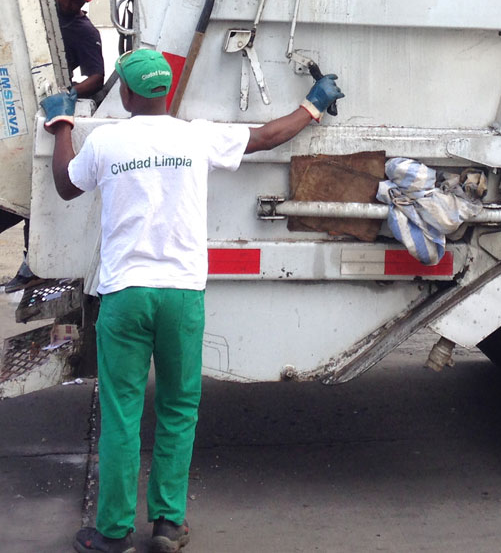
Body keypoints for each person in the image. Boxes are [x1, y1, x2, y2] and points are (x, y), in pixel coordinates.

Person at [42, 48, 343, 553]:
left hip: (126, 295)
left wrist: (62, 123)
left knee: (121, 414)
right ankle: (167, 525)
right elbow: (267, 136)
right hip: (182, 296)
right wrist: (312, 106)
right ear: (164, 91)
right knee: (179, 409)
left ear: (129, 93)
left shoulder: (108, 142)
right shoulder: (196, 136)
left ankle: (112, 533)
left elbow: (65, 184)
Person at [0, 0, 109, 292]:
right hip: (15, 96)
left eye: (77, 1)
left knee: (41, 190)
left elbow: (97, 77)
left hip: (48, 109)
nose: (70, 4)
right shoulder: (39, 10)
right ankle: (33, 262)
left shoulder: (84, 31)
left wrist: (71, 93)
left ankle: (35, 264)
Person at [57, 0, 105, 98]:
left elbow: (96, 79)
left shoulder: (85, 32)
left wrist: (66, 95)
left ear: (85, 1)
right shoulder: (37, 6)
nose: (67, 4)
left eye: (76, 2)